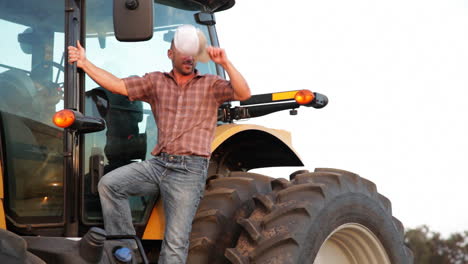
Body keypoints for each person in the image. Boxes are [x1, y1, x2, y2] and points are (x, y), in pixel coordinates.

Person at [67, 29, 251, 263]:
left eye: (193, 53)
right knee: (110, 184)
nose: (189, 57)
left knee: (175, 241)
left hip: (189, 170)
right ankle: (126, 252)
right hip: (159, 164)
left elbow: (243, 93)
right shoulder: (155, 82)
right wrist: (84, 63)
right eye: (183, 52)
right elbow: (117, 86)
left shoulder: (211, 85)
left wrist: (225, 62)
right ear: (170, 53)